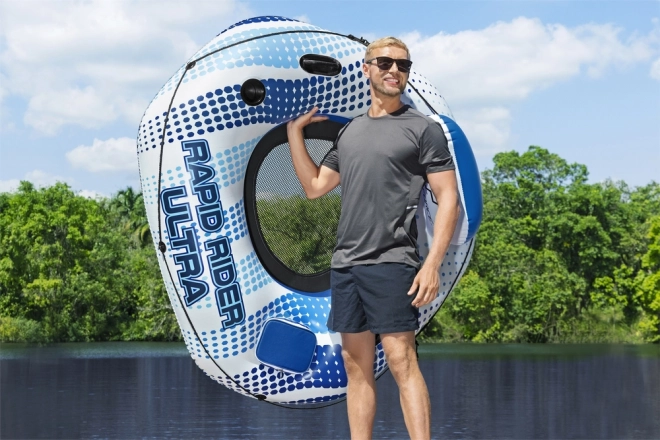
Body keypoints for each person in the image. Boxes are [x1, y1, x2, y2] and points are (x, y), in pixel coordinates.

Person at [286, 37, 459, 440]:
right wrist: (295, 133)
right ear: (367, 69)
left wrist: (432, 264)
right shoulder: (350, 133)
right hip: (347, 265)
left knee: (401, 360)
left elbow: (448, 197)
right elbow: (314, 186)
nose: (394, 70)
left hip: (393, 261)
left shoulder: (423, 129)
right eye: (385, 63)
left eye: (403, 65)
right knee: (355, 365)